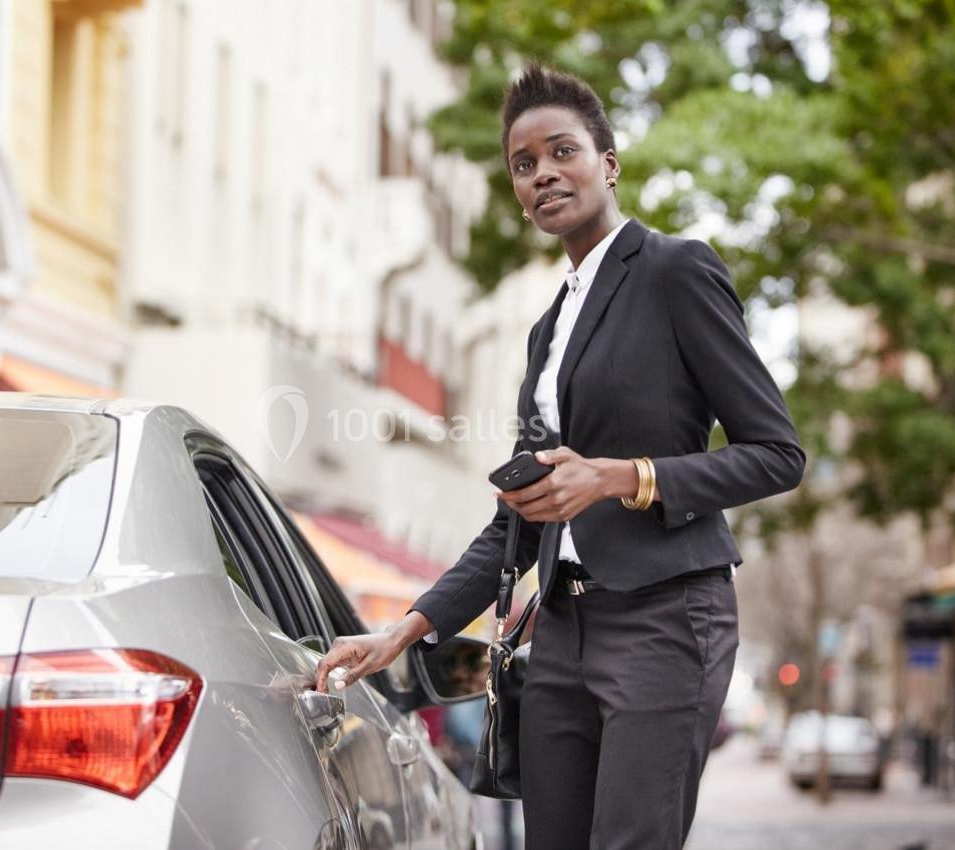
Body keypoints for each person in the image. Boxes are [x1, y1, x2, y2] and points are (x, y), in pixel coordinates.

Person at [315, 62, 804, 849]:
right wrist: (402, 631)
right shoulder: (549, 329)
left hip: (668, 618)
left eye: (562, 152)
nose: (543, 173)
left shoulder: (677, 273)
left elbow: (778, 453)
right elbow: (515, 520)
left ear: (608, 164)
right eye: (523, 164)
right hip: (562, 632)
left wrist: (622, 478)